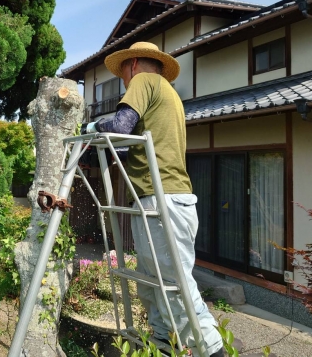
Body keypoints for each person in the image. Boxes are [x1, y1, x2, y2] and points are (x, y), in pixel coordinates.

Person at [82, 41, 229, 357]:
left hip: (163, 200)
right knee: (152, 284)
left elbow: (121, 125)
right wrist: (98, 152)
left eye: (122, 71)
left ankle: (213, 350)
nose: (123, 80)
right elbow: (128, 145)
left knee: (175, 285)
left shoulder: (144, 81)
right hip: (159, 199)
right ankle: (162, 343)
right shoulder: (169, 94)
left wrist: (90, 127)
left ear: (133, 64)